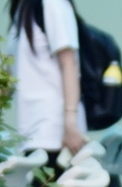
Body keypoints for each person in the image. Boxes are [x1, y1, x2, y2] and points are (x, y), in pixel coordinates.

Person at [10, 0, 87, 157]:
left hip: (56, 135)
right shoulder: (22, 9)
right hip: (32, 134)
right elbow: (7, 79)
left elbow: (69, 64)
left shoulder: (53, 4)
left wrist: (71, 123)